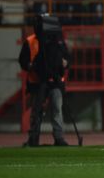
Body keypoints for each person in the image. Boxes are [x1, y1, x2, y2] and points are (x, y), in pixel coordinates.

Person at [19, 14, 70, 147]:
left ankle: (59, 138)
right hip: (38, 82)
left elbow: (67, 58)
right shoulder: (31, 41)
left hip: (55, 82)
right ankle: (33, 138)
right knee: (36, 111)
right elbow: (23, 60)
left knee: (57, 109)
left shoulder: (58, 42)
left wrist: (65, 63)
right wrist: (30, 66)